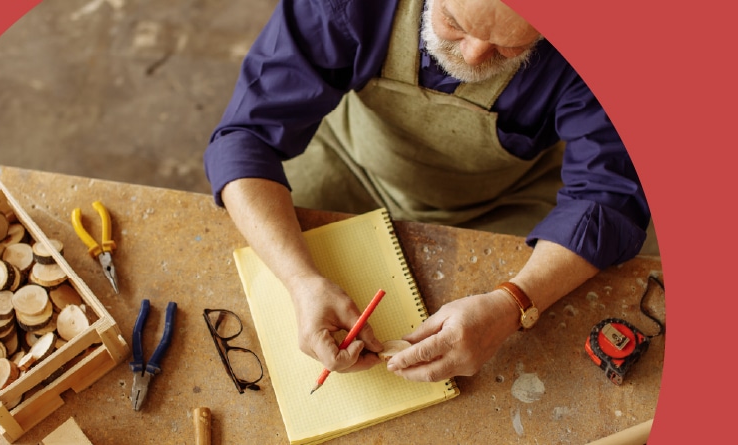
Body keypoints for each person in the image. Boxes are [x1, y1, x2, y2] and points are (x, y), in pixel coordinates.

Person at [204, 0, 650, 382]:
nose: (474, 57)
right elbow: (246, 137)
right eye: (455, 23)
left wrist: (515, 302)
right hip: (353, 159)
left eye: (508, 44)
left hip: (506, 197)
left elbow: (609, 195)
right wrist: (300, 280)